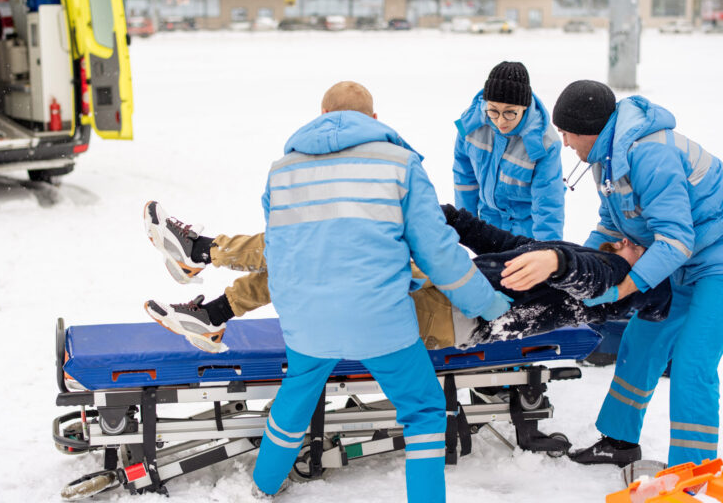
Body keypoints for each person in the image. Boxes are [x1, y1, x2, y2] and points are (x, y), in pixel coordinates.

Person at [149, 81, 511, 501]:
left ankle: (264, 484)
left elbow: (281, 252)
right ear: (373, 121)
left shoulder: (282, 171)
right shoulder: (400, 163)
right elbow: (438, 252)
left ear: (321, 117)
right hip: (381, 322)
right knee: (424, 410)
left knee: (296, 398)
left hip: (307, 322)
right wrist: (487, 304)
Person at [145, 202, 671, 353]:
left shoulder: (612, 288)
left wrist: (560, 261)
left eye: (637, 244)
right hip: (445, 289)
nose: (624, 239)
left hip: (446, 312)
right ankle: (213, 306)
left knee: (327, 248)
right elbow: (504, 245)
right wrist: (443, 215)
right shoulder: (599, 265)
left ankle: (204, 257)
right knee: (318, 253)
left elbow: (593, 280)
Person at [548, 80, 723, 468]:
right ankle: (619, 441)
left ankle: (691, 472)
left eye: (566, 133)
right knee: (640, 343)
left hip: (715, 261)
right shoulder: (608, 157)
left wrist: (622, 288)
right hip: (680, 260)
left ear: (588, 130)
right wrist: (576, 266)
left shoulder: (651, 156)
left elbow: (676, 239)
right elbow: (611, 226)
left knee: (693, 363)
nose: (564, 143)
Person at [453, 61, 565, 240]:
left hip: (525, 232)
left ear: (524, 107)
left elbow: (548, 205)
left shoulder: (544, 144)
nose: (500, 121)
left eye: (510, 112)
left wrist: (546, 251)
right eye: (493, 111)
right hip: (488, 225)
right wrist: (466, 227)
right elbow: (464, 179)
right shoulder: (469, 125)